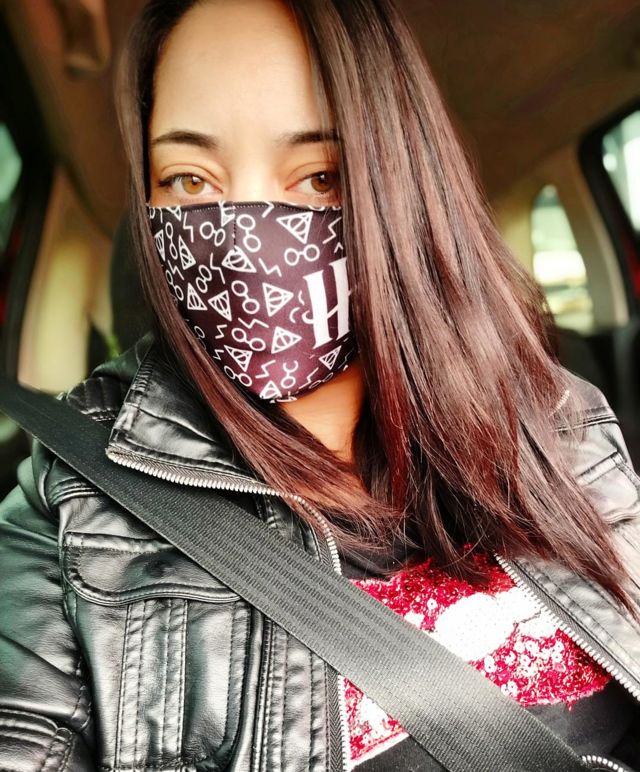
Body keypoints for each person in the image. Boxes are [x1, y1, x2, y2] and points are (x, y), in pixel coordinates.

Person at [0, 1, 639, 769]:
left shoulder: (560, 420)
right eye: (189, 178)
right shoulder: (73, 504)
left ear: (401, 191)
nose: (245, 236)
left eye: (319, 175)